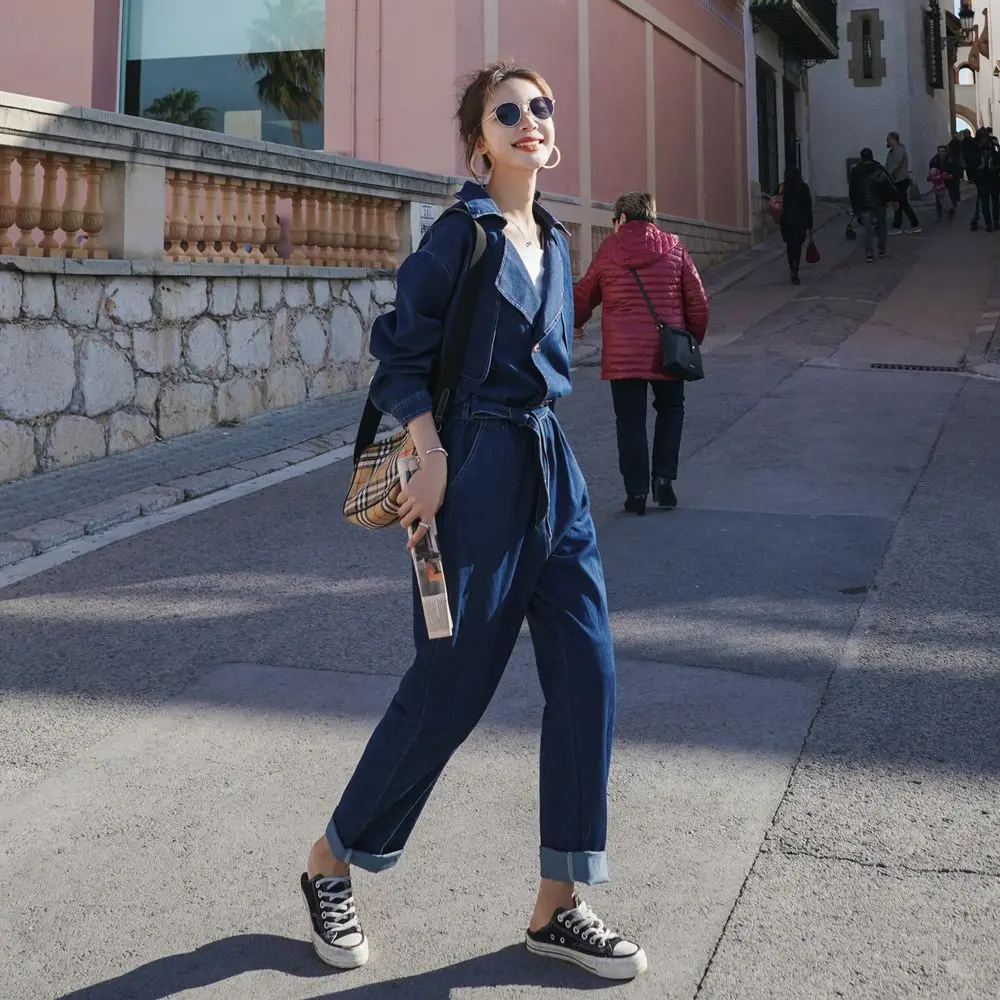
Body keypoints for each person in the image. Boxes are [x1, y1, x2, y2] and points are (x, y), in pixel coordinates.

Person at [300, 59, 648, 982]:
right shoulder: (461, 235)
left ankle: (559, 904)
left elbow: (551, 358)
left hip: (550, 468)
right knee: (450, 684)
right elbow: (398, 350)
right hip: (474, 471)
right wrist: (433, 451)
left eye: (540, 107)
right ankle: (332, 860)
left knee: (591, 672)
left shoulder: (558, 236)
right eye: (508, 113)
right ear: (479, 141)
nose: (529, 120)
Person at [572, 192, 709, 515]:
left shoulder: (609, 249)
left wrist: (577, 322)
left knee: (630, 420)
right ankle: (663, 479)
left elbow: (585, 292)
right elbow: (698, 302)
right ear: (652, 217)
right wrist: (692, 340)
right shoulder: (674, 247)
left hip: (623, 355)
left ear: (621, 218)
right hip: (668, 350)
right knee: (671, 409)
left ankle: (635, 493)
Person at [849, 147, 895, 263]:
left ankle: (869, 253)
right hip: (879, 202)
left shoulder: (856, 171)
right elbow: (888, 184)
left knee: (867, 229)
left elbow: (853, 191)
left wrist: (855, 207)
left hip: (863, 204)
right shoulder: (878, 168)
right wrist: (893, 198)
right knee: (882, 225)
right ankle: (882, 249)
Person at [778, 165, 814, 285]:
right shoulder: (803, 187)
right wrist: (810, 225)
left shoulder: (783, 187)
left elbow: (775, 200)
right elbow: (808, 207)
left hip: (786, 220)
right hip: (800, 221)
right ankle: (795, 268)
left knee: (789, 245)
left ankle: (791, 264)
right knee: (797, 246)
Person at [885, 131, 921, 234]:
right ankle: (897, 226)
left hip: (900, 180)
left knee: (902, 203)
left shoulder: (899, 150)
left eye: (888, 139)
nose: (887, 141)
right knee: (899, 203)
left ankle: (914, 225)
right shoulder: (893, 151)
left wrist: (888, 173)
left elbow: (896, 164)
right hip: (897, 180)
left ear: (893, 139)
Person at [927, 147, 955, 223]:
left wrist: (952, 175)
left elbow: (955, 169)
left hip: (949, 182)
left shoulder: (950, 159)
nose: (941, 153)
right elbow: (931, 171)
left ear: (946, 152)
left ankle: (950, 212)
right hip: (939, 183)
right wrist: (931, 177)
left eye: (942, 151)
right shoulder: (934, 160)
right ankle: (939, 215)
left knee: (950, 198)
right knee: (938, 199)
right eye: (939, 151)